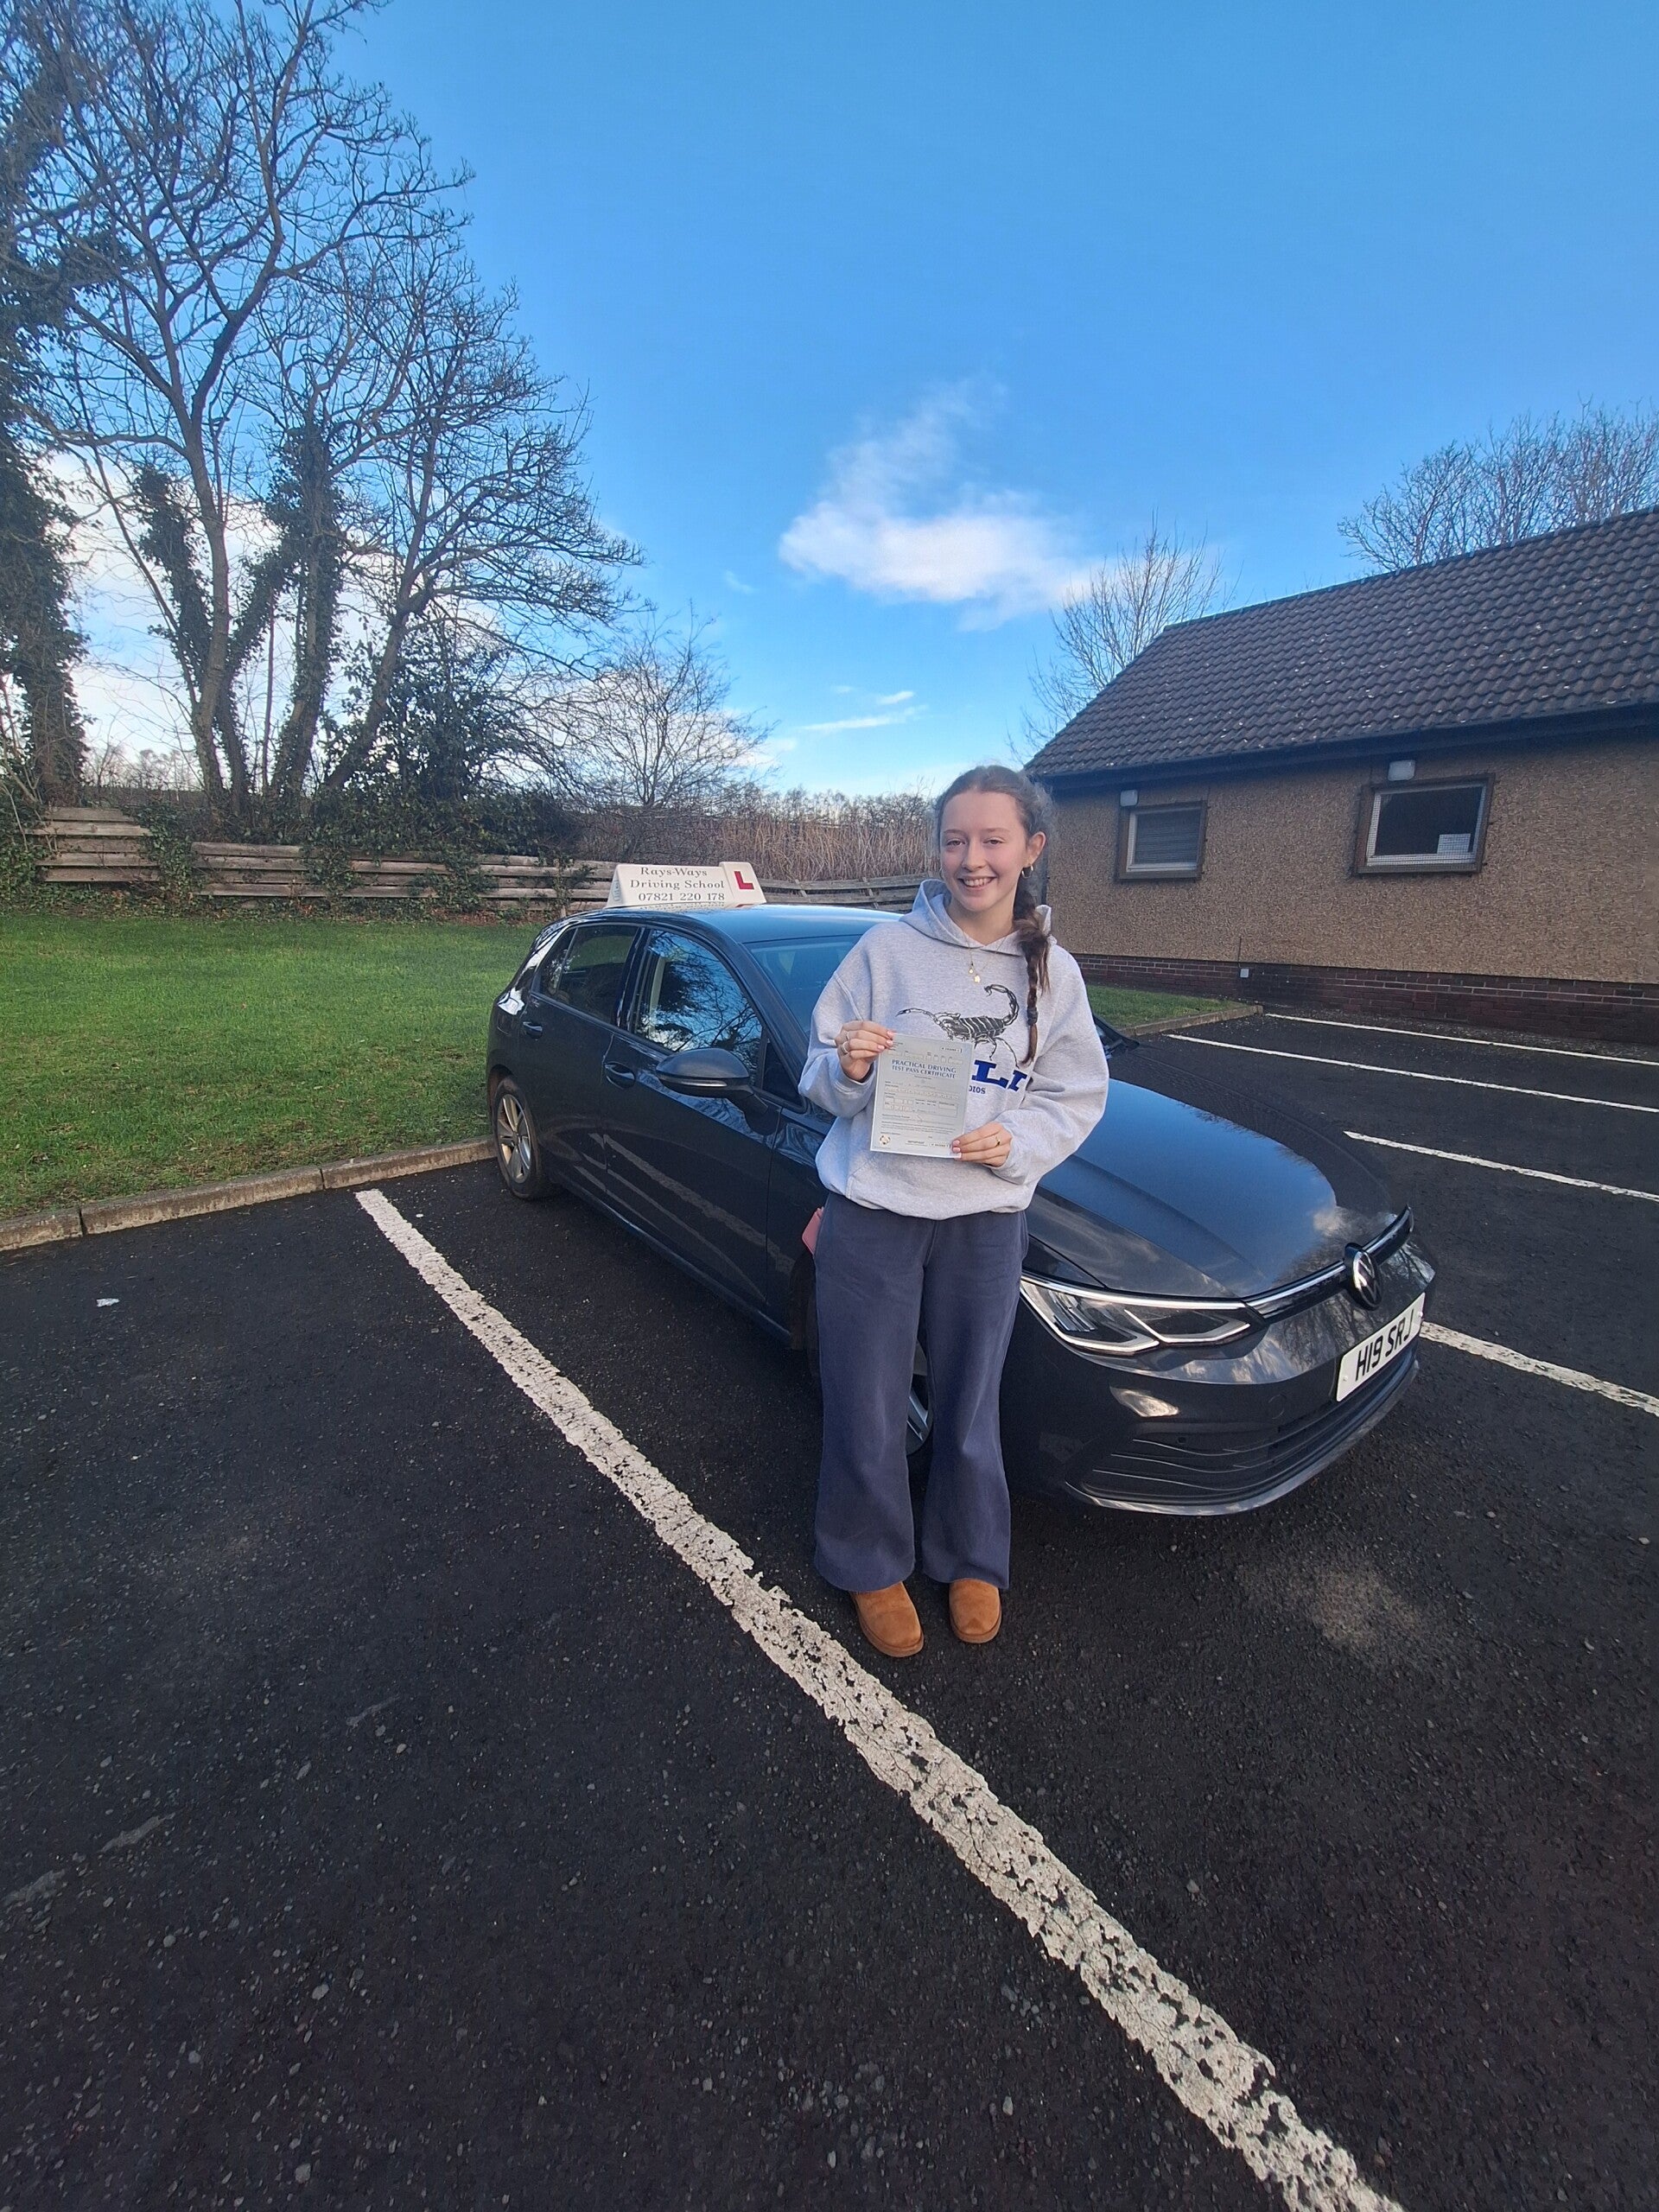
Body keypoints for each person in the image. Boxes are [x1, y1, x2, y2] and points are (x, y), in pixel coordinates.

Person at [799, 765, 1109, 1657]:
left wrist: (1017, 1140)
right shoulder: (884, 953)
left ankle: (970, 1554)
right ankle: (868, 1561)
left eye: (992, 839)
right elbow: (818, 1074)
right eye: (955, 839)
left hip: (984, 1220)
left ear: (1030, 849)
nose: (972, 858)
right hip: (876, 1211)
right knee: (867, 1401)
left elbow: (1075, 1094)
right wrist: (850, 1066)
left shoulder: (1055, 973)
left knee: (972, 1400)